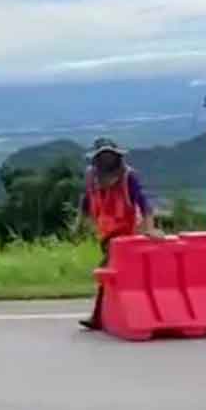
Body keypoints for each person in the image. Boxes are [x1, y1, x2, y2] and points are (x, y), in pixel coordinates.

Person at [78, 138, 156, 331]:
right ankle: (124, 313)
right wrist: (80, 222)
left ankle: (98, 317)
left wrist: (150, 229)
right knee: (122, 277)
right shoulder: (92, 178)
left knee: (107, 272)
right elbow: (86, 200)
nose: (106, 161)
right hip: (106, 236)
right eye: (102, 157)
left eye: (110, 156)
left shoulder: (129, 177)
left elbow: (145, 206)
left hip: (128, 236)